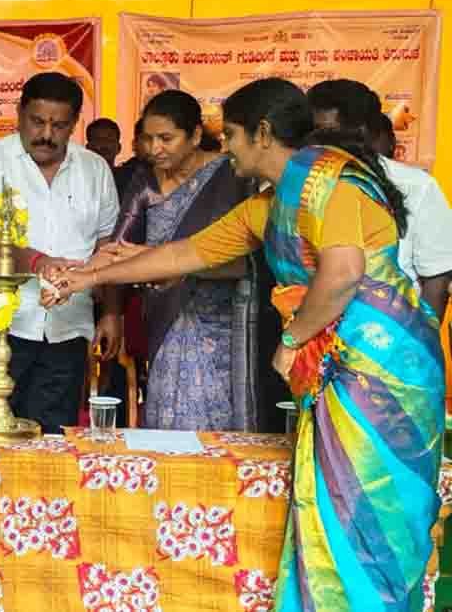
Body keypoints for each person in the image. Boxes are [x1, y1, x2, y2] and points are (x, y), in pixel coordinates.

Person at [49, 77, 443, 610]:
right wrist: (87, 278)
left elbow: (345, 272)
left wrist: (291, 338)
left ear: (262, 133)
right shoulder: (271, 204)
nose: (226, 147)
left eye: (231, 135)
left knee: (372, 510)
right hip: (337, 368)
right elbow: (184, 254)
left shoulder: (328, 182)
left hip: (383, 367)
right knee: (333, 508)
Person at [0, 72, 121, 434]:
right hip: (4, 325)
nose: (46, 134)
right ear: (19, 113)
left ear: (75, 123)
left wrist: (111, 312)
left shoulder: (95, 170)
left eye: (59, 125)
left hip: (69, 326)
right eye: (37, 121)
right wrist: (37, 262)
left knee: (55, 436)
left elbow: (106, 248)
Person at [104, 89, 258, 430]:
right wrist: (111, 311)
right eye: (147, 138)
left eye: (166, 138)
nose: (154, 148)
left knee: (221, 413)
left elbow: (250, 256)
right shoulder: (145, 180)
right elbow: (118, 250)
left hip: (221, 318)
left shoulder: (232, 175)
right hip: (166, 316)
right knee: (165, 410)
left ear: (196, 136)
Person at [308, 79, 452, 313]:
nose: (316, 143)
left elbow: (436, 278)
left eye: (327, 134)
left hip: (393, 333)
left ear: (361, 133)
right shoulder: (302, 183)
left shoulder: (416, 186)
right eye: (312, 133)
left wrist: (423, 338)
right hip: (319, 331)